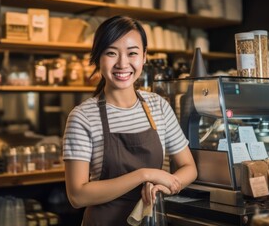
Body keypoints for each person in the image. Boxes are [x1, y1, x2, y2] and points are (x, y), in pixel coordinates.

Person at [62, 15, 197, 225]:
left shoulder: (158, 106)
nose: (122, 64)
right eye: (111, 53)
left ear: (144, 57)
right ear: (98, 58)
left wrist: (165, 185)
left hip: (149, 221)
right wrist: (144, 175)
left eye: (132, 53)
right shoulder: (82, 117)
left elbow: (189, 167)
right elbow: (77, 196)